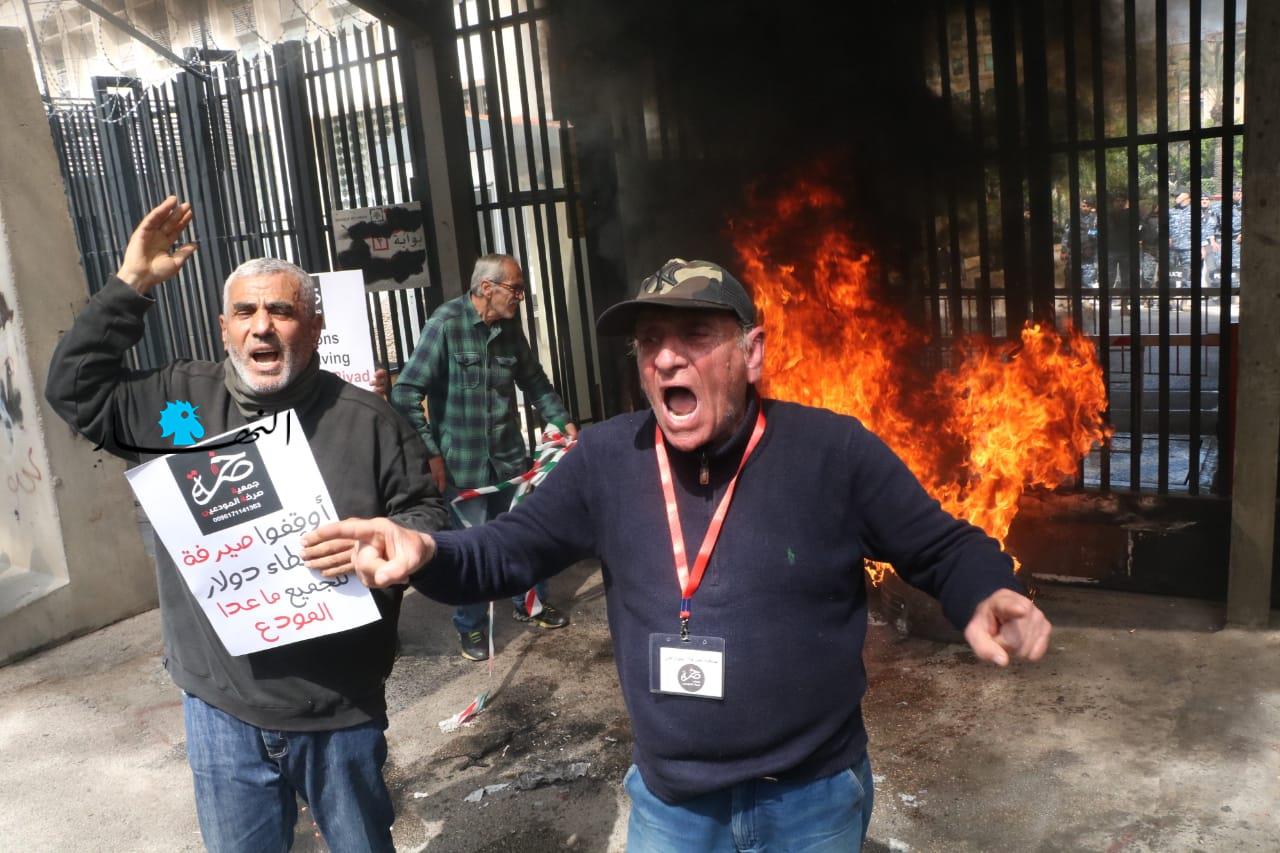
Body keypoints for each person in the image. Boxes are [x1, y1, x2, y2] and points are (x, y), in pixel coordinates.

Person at [304, 258, 1053, 851]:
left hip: (810, 798)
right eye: (650, 341)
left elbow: (942, 545)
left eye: (695, 335)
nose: (666, 357)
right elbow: (507, 551)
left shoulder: (832, 451)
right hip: (673, 809)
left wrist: (986, 589)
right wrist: (427, 549)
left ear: (752, 353)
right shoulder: (606, 458)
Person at [45, 196, 449, 852]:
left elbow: (427, 515)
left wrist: (388, 544)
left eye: (281, 311)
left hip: (338, 710)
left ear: (313, 327)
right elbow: (74, 391)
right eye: (245, 312)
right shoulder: (177, 402)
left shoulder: (370, 422)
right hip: (220, 709)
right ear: (225, 328)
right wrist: (131, 284)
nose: (262, 327)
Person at [390, 253, 577, 662]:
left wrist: (561, 420)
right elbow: (405, 392)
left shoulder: (509, 330)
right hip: (463, 466)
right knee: (471, 548)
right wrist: (431, 453)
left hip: (509, 460)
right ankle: (472, 626)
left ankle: (531, 606)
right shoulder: (446, 324)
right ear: (487, 288)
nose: (521, 298)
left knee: (525, 537)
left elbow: (534, 380)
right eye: (516, 289)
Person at [1169, 190, 1194, 288]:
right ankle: (1170, 294)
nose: (1176, 198)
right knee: (1170, 273)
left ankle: (1186, 294)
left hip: (1188, 248)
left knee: (1187, 274)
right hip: (1172, 247)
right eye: (1175, 196)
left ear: (1186, 196)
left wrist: (1202, 247)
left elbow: (1202, 229)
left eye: (1178, 196)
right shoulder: (1171, 211)